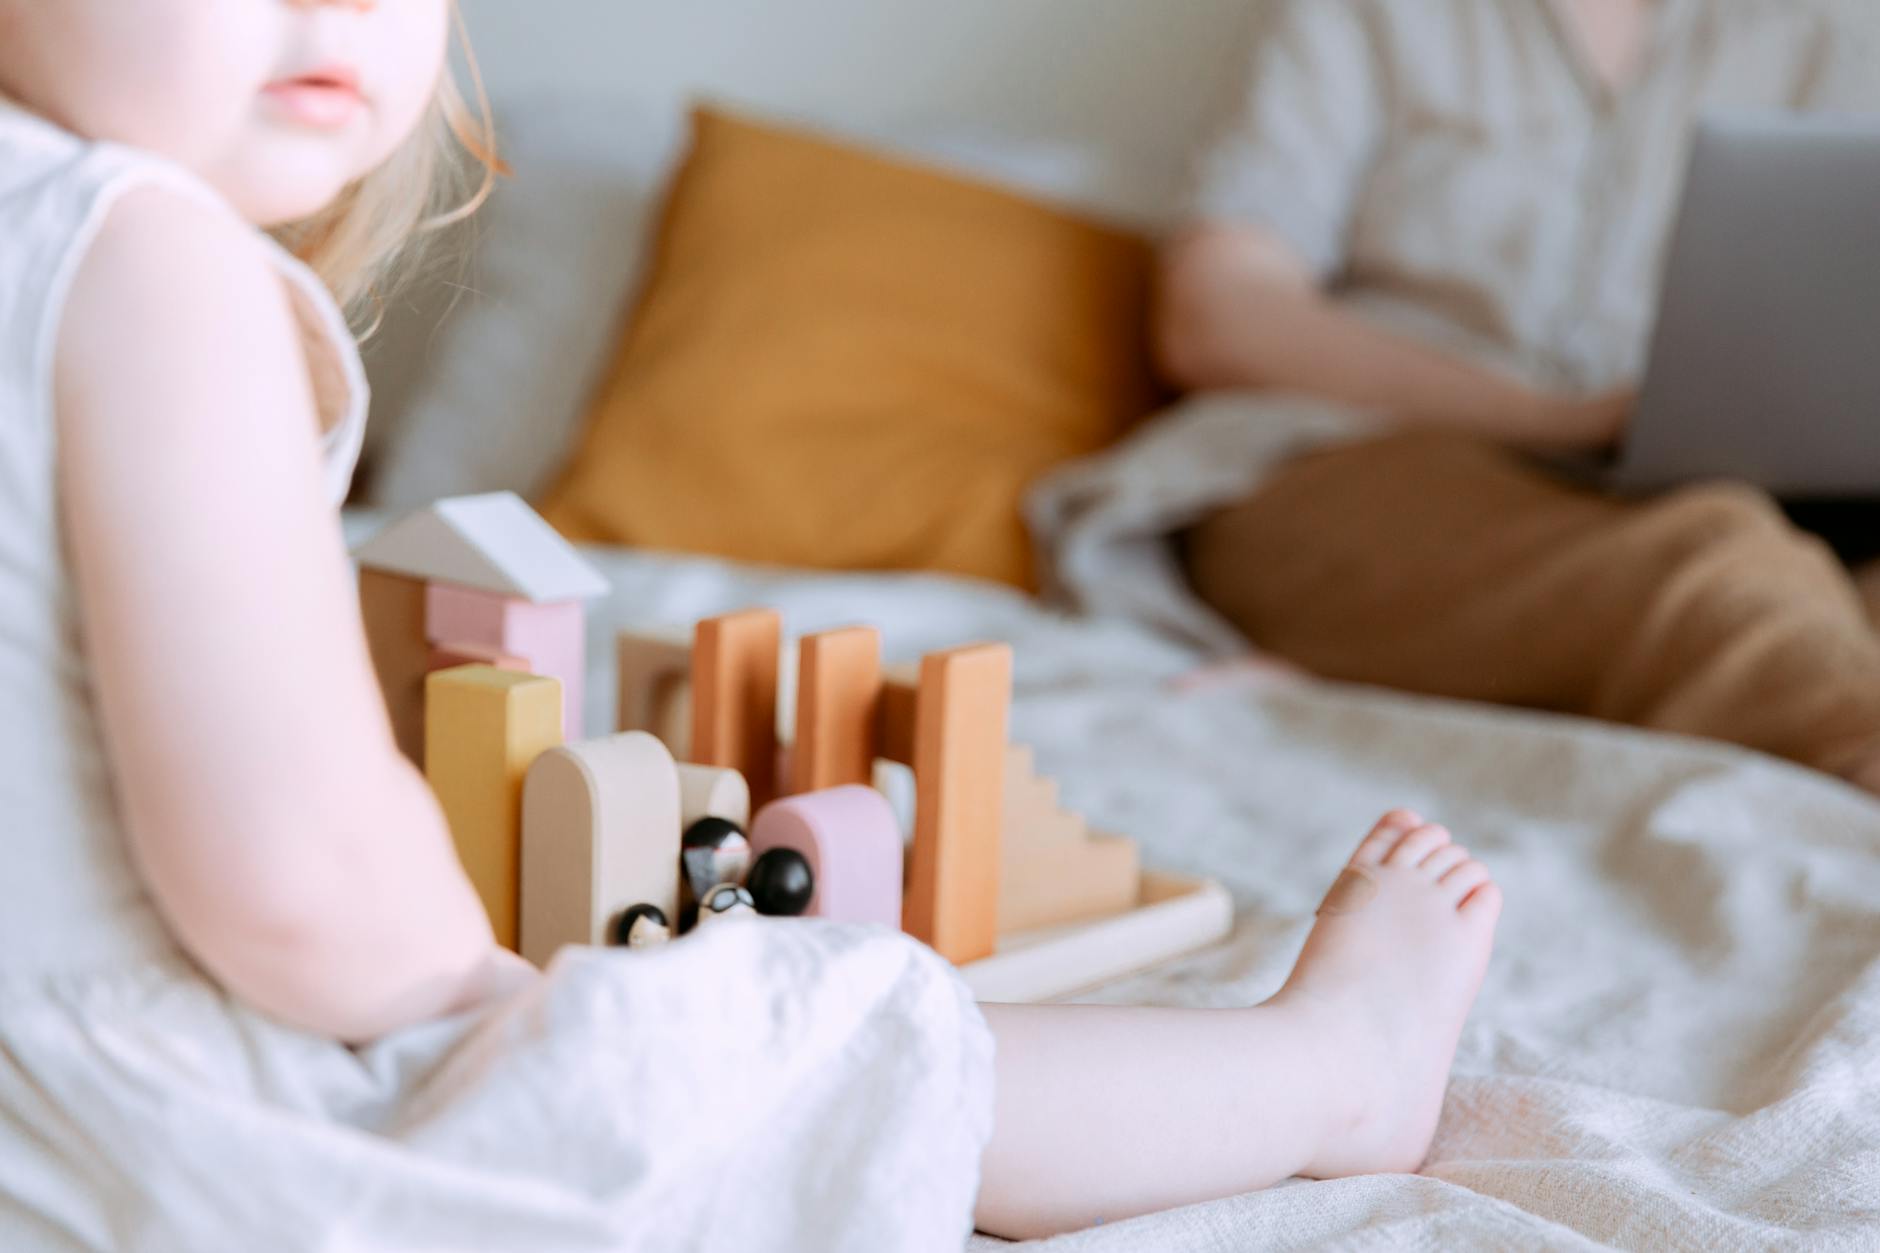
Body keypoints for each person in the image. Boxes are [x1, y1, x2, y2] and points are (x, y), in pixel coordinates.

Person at [0, 2, 1500, 1246]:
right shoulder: (146, 256)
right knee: (810, 1036)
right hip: (161, 1153)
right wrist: (475, 993)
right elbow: (300, 881)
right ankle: (1327, 1073)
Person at [1032, 0, 1880, 790]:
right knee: (1720, 572)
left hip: (1676, 493)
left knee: (1780, 566)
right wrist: (1555, 420)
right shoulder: (1380, 15)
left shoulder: (1821, 35)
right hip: (1347, 464)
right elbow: (1215, 314)